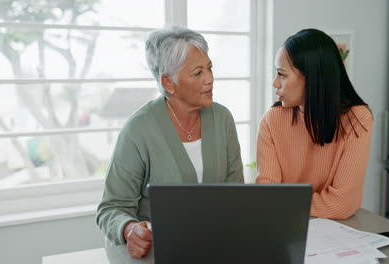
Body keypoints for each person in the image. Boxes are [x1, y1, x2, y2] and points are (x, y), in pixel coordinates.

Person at [96, 26, 244, 259]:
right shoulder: (138, 129)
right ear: (169, 83)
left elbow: (235, 195)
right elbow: (111, 208)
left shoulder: (223, 118)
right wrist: (130, 229)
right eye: (198, 73)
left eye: (210, 68)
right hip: (157, 255)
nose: (210, 79)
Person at [256, 28, 373, 220]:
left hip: (337, 234)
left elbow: (342, 204)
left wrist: (284, 202)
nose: (275, 83)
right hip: (285, 226)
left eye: (282, 74)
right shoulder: (272, 120)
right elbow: (267, 196)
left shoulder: (357, 119)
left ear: (311, 77)